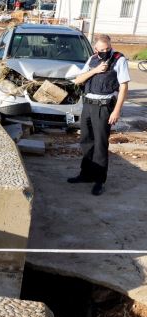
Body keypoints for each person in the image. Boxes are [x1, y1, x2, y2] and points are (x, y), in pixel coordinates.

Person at [67, 34, 130, 196]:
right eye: (101, 50)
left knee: (100, 144)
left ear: (110, 46)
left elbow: (123, 88)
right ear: (95, 49)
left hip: (104, 107)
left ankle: (99, 181)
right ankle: (85, 175)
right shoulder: (92, 60)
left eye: (107, 49)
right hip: (88, 105)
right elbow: (78, 80)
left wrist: (116, 110)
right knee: (86, 141)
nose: (105, 52)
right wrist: (95, 70)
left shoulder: (119, 60)